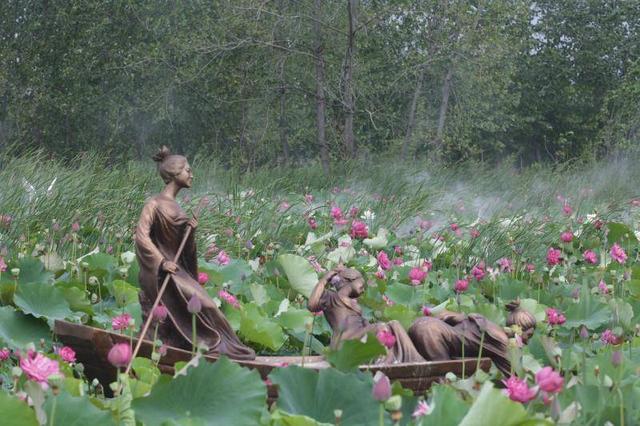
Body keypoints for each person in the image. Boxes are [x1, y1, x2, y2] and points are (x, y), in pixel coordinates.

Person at [134, 146, 255, 360]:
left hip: (178, 271)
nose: (192, 174)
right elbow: (142, 237)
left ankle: (225, 349)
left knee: (207, 305)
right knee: (205, 305)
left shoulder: (177, 206)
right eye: (187, 170)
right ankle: (216, 347)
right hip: (162, 274)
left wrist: (190, 234)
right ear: (174, 173)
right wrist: (162, 263)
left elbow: (182, 250)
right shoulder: (154, 204)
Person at [308, 266, 425, 363]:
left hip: (359, 336)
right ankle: (385, 364)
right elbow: (312, 305)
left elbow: (364, 324)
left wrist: (371, 328)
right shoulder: (331, 297)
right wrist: (324, 280)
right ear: (350, 280)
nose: (363, 290)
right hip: (344, 342)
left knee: (393, 324)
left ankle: (413, 359)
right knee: (381, 327)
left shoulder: (355, 304)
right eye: (362, 285)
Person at [408, 300, 536, 375]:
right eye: (528, 335)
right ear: (518, 329)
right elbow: (513, 376)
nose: (528, 341)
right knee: (442, 381)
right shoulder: (502, 342)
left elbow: (453, 317)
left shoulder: (489, 325)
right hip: (431, 333)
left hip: (423, 323)